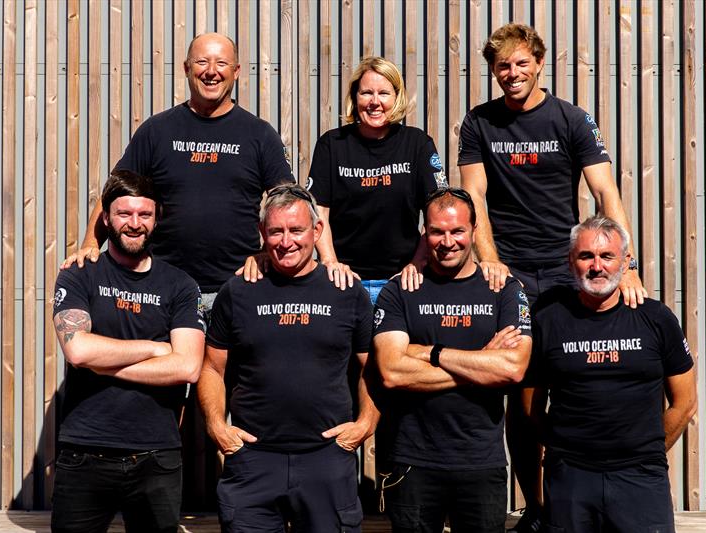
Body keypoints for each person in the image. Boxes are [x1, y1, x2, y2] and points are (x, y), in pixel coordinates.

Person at [458, 23, 647, 530]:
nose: (512, 74)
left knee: (576, 385)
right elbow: (473, 197)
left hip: (568, 272)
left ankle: (577, 502)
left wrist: (624, 264)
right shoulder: (479, 122)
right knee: (519, 393)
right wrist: (492, 260)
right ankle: (536, 507)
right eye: (502, 66)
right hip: (511, 273)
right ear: (493, 70)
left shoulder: (571, 117)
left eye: (521, 63)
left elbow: (605, 194)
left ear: (539, 62)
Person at [62, 32, 293, 314]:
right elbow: (115, 191)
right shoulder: (157, 131)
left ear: (236, 71)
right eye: (201, 62)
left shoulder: (259, 135)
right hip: (164, 289)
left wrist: (269, 252)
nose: (211, 71)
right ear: (186, 68)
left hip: (237, 287)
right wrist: (90, 243)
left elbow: (288, 203)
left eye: (221, 63)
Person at [198, 184, 379, 533]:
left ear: (317, 230)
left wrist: (365, 424)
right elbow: (211, 367)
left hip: (326, 459)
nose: (286, 241)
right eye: (276, 231)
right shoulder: (238, 290)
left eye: (296, 230)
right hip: (253, 462)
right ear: (262, 233)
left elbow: (371, 366)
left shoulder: (346, 291)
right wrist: (216, 426)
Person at [50, 170, 206, 533]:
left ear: (157, 218)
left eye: (144, 214)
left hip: (157, 456)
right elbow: (78, 350)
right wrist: (154, 349)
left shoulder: (180, 286)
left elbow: (186, 367)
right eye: (124, 214)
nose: (134, 224)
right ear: (105, 217)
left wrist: (104, 365)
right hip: (84, 452)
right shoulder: (79, 275)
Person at [523, 216, 696, 533]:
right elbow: (530, 406)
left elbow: (684, 403)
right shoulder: (548, 318)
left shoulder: (656, 318)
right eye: (586, 256)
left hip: (641, 480)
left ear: (626, 261)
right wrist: (566, 449)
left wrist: (647, 449)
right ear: (570, 261)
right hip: (570, 480)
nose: (596, 266)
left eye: (607, 256)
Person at [373, 188, 532, 532]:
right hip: (412, 463)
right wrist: (481, 363)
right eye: (437, 232)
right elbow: (392, 372)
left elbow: (513, 368)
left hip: (481, 463)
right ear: (425, 234)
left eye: (457, 231)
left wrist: (430, 353)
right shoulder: (399, 290)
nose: (447, 242)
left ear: (474, 232)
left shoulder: (504, 290)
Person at [249, 56, 443, 302]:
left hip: (401, 281)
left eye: (383, 93)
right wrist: (330, 262)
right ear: (355, 97)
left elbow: (437, 211)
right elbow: (318, 212)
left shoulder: (417, 144)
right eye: (366, 93)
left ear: (397, 97)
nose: (374, 102)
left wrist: (418, 262)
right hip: (345, 280)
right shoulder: (333, 144)